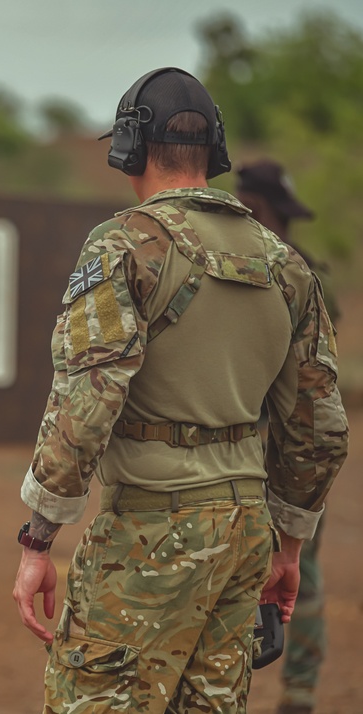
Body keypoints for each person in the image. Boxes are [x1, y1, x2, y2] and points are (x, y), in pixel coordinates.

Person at [11, 67, 348, 714]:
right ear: (215, 152)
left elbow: (86, 404)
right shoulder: (283, 263)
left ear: (128, 150)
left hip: (148, 526)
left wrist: (38, 537)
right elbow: (321, 426)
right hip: (244, 533)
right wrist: (287, 543)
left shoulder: (122, 247)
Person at [237, 159, 337, 714]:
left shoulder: (297, 275)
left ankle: (298, 691)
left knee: (300, 571)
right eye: (280, 217)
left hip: (289, 452)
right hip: (249, 452)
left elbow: (320, 385)